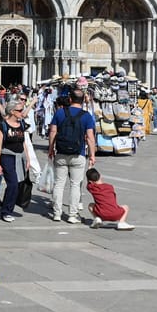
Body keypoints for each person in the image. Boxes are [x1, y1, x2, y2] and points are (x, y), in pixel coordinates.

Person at [47, 89, 97, 224]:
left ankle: (57, 213)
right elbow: (90, 137)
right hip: (78, 153)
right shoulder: (86, 116)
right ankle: (72, 215)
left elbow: (52, 132)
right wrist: (92, 155)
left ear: (70, 99)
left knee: (59, 184)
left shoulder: (60, 112)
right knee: (75, 185)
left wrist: (51, 149)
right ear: (83, 100)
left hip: (61, 153)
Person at [0, 100, 29, 222]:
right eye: (19, 110)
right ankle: (6, 211)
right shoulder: (3, 126)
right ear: (12, 111)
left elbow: (24, 142)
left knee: (18, 184)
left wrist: (28, 158)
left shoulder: (22, 124)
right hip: (7, 156)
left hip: (20, 157)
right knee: (12, 183)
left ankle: (10, 206)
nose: (22, 112)